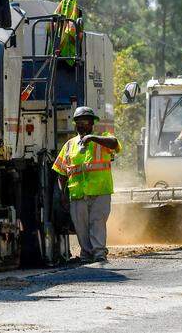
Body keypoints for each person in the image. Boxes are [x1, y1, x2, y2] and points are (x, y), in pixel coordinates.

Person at [52, 106, 120, 262]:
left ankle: (99, 253)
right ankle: (86, 254)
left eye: (85, 122)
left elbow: (115, 144)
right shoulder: (69, 145)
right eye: (79, 122)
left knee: (97, 222)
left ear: (92, 124)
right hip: (77, 194)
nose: (82, 125)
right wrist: (62, 194)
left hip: (100, 192)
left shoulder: (102, 139)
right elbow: (61, 172)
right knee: (81, 226)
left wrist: (92, 138)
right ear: (75, 124)